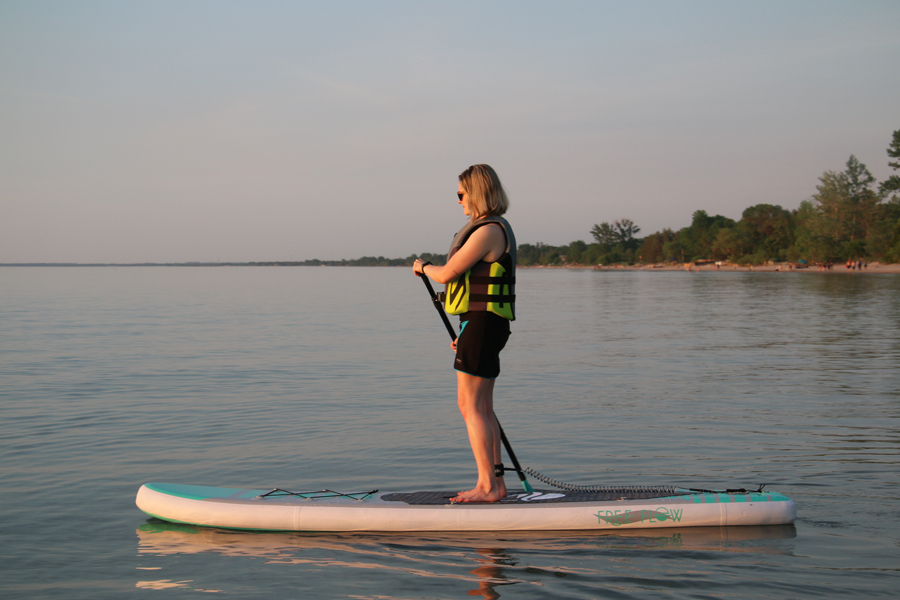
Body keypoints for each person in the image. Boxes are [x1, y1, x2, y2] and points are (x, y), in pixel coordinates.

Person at [412, 164, 516, 503]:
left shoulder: (487, 231)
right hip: (482, 325)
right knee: (483, 406)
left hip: (484, 325)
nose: (458, 201)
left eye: (461, 194)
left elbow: (447, 274)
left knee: (470, 405)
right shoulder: (497, 228)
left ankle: (486, 486)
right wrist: (469, 333)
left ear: (476, 191)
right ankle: (497, 485)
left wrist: (423, 267)